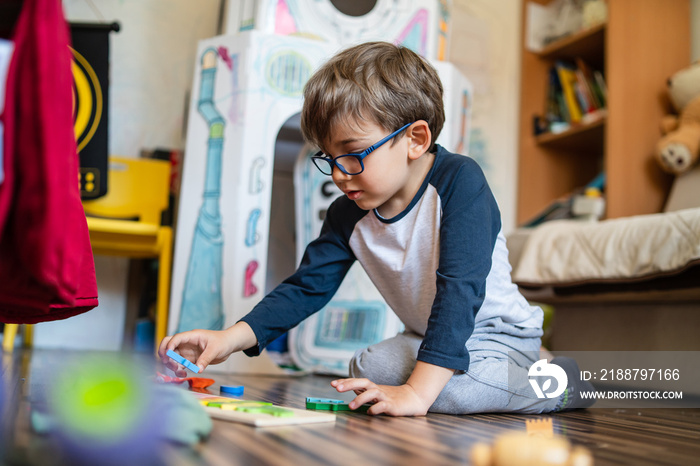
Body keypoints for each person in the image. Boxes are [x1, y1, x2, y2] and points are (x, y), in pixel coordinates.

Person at [160, 41, 593, 416]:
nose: (339, 174)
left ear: (415, 139)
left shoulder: (461, 183)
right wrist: (228, 338)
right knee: (368, 370)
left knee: (450, 392)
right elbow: (307, 287)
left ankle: (565, 382)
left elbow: (459, 290)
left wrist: (417, 394)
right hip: (427, 335)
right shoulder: (348, 213)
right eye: (328, 158)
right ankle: (477, 379)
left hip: (495, 336)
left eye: (351, 153)